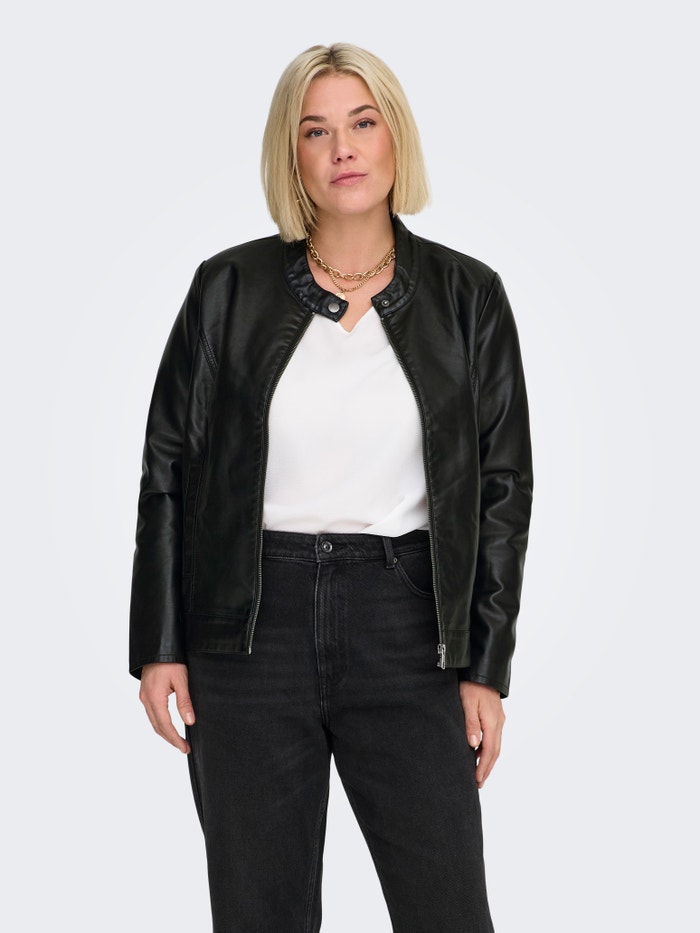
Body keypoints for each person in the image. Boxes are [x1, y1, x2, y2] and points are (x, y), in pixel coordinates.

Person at [130, 42, 533, 933]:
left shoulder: (468, 296)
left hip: (409, 624)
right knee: (259, 914)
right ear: (293, 155)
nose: (342, 147)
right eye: (316, 131)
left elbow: (504, 488)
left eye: (362, 122)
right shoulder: (226, 288)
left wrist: (486, 663)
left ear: (395, 139)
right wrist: (160, 643)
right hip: (249, 626)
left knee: (448, 912)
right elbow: (169, 469)